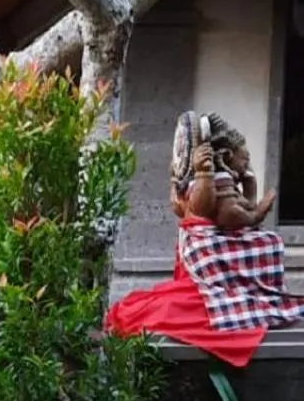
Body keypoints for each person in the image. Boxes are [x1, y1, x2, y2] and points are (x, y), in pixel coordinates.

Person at [106, 111, 304, 367]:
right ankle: (242, 299)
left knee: (268, 242)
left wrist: (250, 187)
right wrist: (253, 212)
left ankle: (253, 294)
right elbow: (230, 215)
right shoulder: (215, 182)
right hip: (205, 246)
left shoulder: (224, 180)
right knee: (268, 243)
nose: (247, 165)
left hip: (206, 240)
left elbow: (239, 208)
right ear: (228, 156)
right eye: (245, 159)